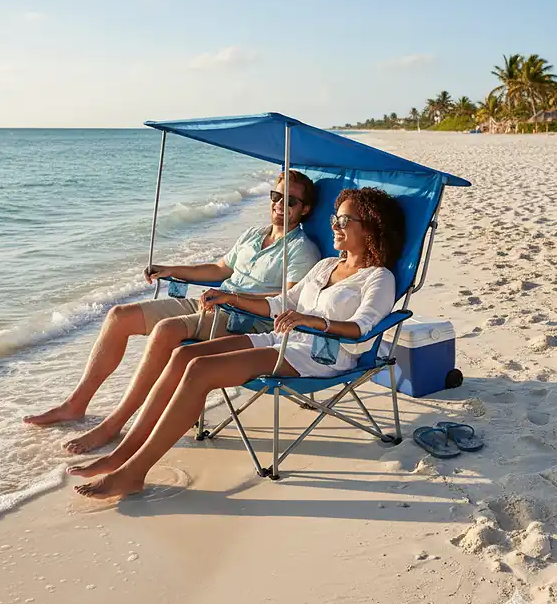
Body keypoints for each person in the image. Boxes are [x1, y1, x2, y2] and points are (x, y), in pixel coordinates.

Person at [68, 187, 405, 499]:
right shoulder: (326, 265)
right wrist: (232, 297)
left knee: (201, 369)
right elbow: (279, 304)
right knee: (185, 355)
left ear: (371, 227)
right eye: (335, 218)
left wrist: (312, 321)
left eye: (344, 220)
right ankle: (122, 453)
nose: (335, 225)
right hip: (283, 340)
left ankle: (134, 472)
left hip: (321, 355)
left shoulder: (379, 278)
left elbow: (362, 329)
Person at [24, 170, 321, 454]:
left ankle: (114, 424)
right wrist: (170, 269)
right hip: (211, 304)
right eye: (276, 196)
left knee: (167, 330)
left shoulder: (302, 249)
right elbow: (219, 269)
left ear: (305, 209)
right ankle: (76, 404)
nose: (280, 205)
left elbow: (288, 298)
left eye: (290, 201)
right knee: (119, 315)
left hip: (246, 319)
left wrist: (232, 296)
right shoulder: (252, 235)